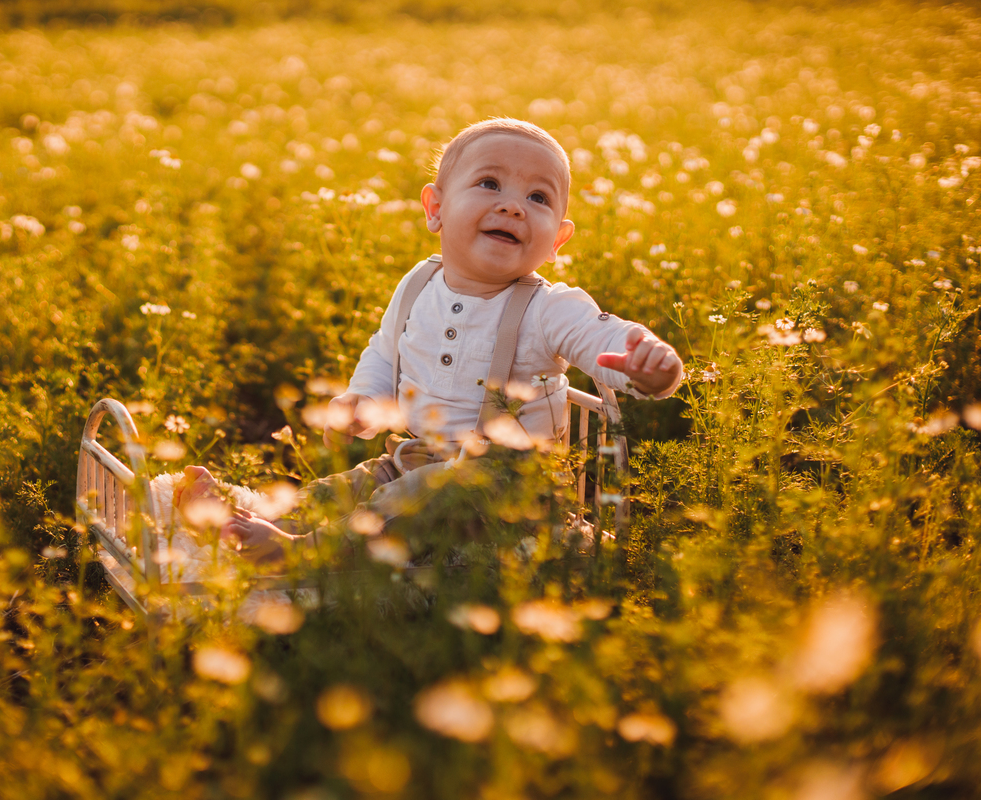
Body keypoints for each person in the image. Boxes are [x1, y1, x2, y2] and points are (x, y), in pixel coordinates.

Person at [176, 118, 682, 562]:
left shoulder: (548, 308)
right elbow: (385, 349)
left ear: (557, 241)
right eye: (489, 184)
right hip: (417, 456)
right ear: (435, 208)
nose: (513, 207)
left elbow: (601, 335)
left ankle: (304, 553)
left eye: (538, 198)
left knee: (412, 501)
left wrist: (644, 363)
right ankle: (247, 516)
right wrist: (364, 399)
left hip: (504, 494)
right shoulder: (419, 282)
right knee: (355, 487)